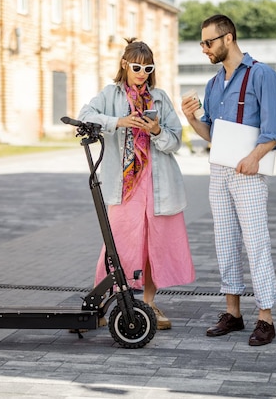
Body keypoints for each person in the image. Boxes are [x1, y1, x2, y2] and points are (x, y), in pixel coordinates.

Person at [181, 15, 276, 346]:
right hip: (219, 172)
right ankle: (234, 314)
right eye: (201, 43)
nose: (204, 49)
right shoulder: (213, 85)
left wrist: (254, 157)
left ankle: (265, 319)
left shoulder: (262, 75)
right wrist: (191, 118)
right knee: (224, 242)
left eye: (208, 43)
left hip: (250, 174)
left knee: (256, 243)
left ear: (228, 39)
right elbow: (210, 133)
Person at [78, 38, 195, 330]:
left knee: (154, 245)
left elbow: (175, 141)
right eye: (137, 66)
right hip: (125, 185)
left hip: (159, 183)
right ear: (125, 65)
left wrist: (156, 130)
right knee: (116, 245)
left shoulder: (160, 98)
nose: (142, 72)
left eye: (148, 67)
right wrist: (120, 122)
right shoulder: (110, 94)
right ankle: (101, 304)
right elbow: (85, 116)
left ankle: (149, 304)